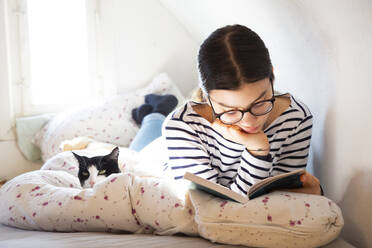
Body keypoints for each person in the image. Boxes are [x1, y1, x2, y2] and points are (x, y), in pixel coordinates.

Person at [129, 24, 323, 196]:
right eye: (230, 111)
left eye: (260, 102)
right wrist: (258, 151)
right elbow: (212, 207)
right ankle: (153, 112)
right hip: (158, 160)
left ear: (272, 75)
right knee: (139, 144)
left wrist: (258, 150)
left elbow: (276, 198)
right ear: (206, 98)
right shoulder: (181, 126)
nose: (249, 122)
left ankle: (155, 111)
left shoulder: (297, 119)